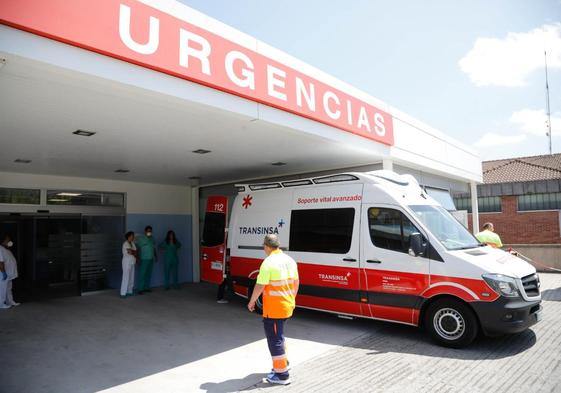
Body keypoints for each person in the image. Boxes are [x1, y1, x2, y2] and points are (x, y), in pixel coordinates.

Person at [248, 234, 299, 385]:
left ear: (266, 246)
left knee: (274, 340)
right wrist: (292, 299)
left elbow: (260, 285)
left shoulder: (268, 263)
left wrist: (251, 302)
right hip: (287, 306)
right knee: (280, 336)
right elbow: (296, 282)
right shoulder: (290, 260)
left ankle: (282, 375)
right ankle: (283, 365)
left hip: (275, 309)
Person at [136, 225, 157, 294]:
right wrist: (138, 258)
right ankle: (140, 289)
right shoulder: (141, 239)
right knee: (142, 274)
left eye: (150, 231)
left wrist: (156, 256)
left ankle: (146, 287)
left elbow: (153, 248)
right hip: (143, 259)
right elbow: (137, 249)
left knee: (149, 274)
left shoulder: (152, 239)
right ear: (145, 231)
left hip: (151, 259)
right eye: (148, 231)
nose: (149, 232)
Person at [0, 234, 19, 309]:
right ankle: (1, 304)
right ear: (3, 241)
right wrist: (3, 272)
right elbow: (0, 262)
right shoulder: (0, 249)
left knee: (8, 288)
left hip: (9, 273)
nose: (9, 241)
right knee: (2, 289)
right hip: (3, 273)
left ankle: (10, 301)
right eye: (8, 240)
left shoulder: (6, 249)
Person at [120, 231, 137, 298]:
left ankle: (129, 291)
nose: (132, 237)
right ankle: (123, 293)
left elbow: (135, 252)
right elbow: (130, 252)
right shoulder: (125, 244)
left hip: (132, 262)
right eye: (131, 236)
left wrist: (133, 252)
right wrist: (133, 252)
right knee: (126, 277)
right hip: (126, 262)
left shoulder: (132, 243)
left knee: (131, 277)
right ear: (128, 236)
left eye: (133, 236)